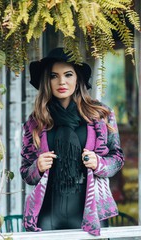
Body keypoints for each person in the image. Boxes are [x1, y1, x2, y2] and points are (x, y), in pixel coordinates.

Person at [20, 47, 124, 236]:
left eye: (68, 74)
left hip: (88, 213)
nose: (62, 81)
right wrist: (37, 166)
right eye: (54, 76)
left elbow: (117, 159)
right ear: (47, 81)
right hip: (48, 213)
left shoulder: (101, 115)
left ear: (78, 78)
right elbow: (26, 173)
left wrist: (99, 163)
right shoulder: (35, 121)